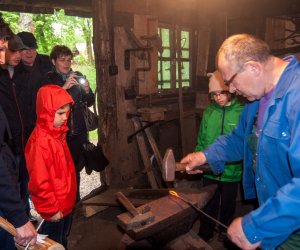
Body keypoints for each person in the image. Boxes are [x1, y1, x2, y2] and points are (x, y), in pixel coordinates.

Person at [181, 33, 300, 250]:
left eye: (231, 81)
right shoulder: (256, 99)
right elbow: (238, 139)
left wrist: (256, 225)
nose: (232, 90)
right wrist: (205, 155)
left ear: (253, 68)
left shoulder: (297, 97)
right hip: (273, 211)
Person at [0, 15, 37, 249]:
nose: (5, 56)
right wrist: (19, 219)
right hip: (9, 147)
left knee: (22, 183)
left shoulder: (27, 74)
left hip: (24, 141)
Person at [25, 84, 77, 247]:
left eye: (67, 113)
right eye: (60, 113)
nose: (64, 117)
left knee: (62, 240)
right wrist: (51, 210)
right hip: (55, 210)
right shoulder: (40, 142)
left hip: (65, 203)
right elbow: (39, 182)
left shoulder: (58, 134)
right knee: (52, 244)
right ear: (46, 112)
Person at [41, 45, 95, 201]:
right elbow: (47, 106)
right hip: (59, 133)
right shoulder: (48, 79)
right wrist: (63, 88)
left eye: (69, 60)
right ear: (53, 61)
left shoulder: (77, 75)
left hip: (78, 131)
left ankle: (76, 203)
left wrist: (86, 90)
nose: (66, 63)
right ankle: (62, 203)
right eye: (62, 60)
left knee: (76, 169)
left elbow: (89, 101)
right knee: (60, 170)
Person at [196, 70, 244, 242]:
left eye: (221, 93)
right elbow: (202, 138)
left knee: (228, 204)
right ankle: (206, 231)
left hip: (231, 171)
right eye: (214, 94)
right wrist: (198, 159)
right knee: (209, 202)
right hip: (209, 169)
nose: (218, 98)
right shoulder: (209, 112)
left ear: (230, 90)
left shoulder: (241, 112)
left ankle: (225, 231)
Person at [17, 31, 52, 134]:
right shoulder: (11, 69)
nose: (29, 52)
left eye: (32, 48)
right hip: (23, 125)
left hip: (46, 122)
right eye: (25, 49)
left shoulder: (48, 62)